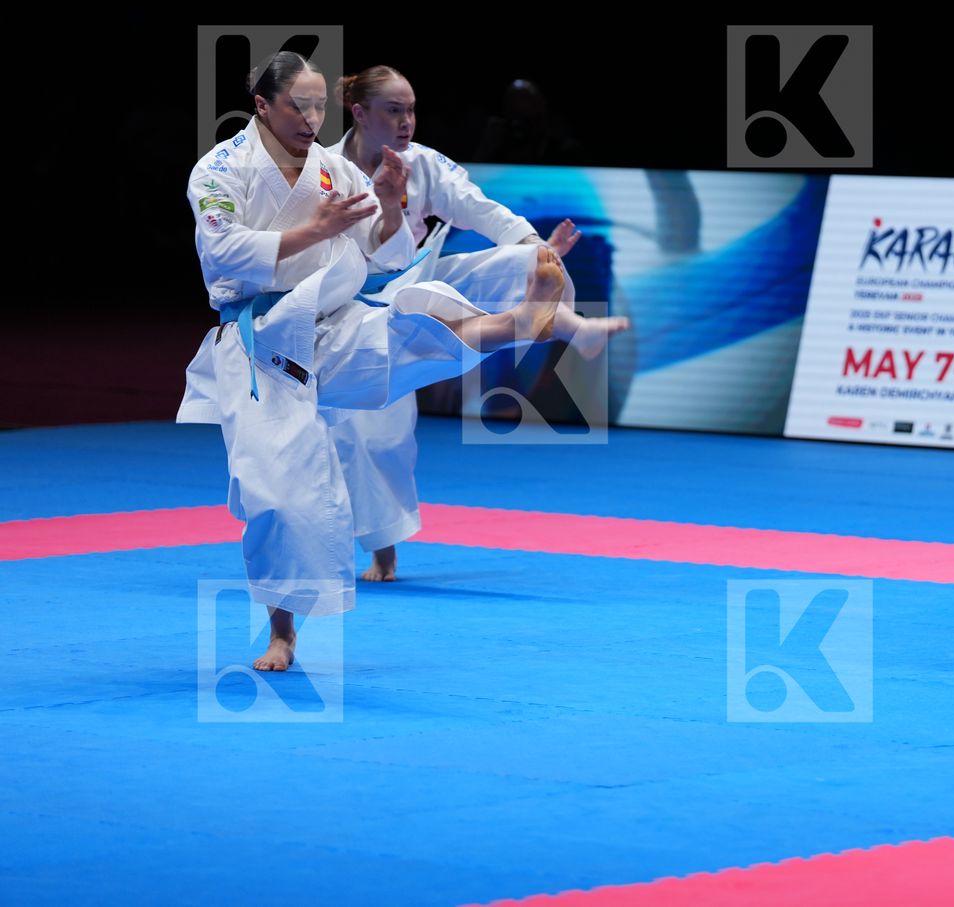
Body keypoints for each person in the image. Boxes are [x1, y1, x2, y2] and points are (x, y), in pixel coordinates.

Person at [177, 52, 568, 672]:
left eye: (317, 107)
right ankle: (283, 633)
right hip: (261, 343)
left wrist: (387, 207)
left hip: (333, 322)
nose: (310, 118)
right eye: (296, 106)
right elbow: (222, 253)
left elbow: (384, 256)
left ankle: (521, 322)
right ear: (261, 105)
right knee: (279, 493)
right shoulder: (220, 169)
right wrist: (312, 231)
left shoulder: (334, 170)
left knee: (413, 324)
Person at [326, 65, 628, 581]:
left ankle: (573, 327)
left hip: (420, 289)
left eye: (411, 109)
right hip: (350, 310)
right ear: (359, 113)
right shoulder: (324, 170)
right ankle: (380, 552)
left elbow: (483, 211)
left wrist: (538, 247)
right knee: (374, 436)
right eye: (393, 110)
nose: (406, 121)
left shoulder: (423, 164)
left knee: (524, 262)